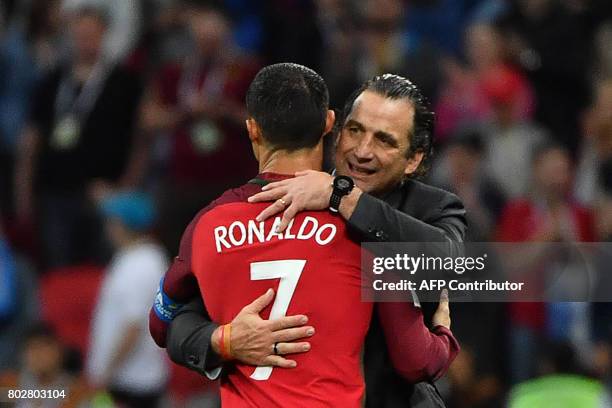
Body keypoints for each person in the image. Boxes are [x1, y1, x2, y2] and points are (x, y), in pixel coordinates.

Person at [149, 64, 459, 407]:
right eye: (355, 131)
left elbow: (163, 322)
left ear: (252, 129)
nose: (363, 151)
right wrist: (443, 334)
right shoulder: (364, 241)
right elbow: (415, 357)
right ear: (331, 125)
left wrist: (342, 195)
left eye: (384, 140)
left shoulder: (211, 223)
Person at [13, 5, 144, 268]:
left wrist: (126, 187)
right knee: (58, 266)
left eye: (91, 35)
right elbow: (31, 141)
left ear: (103, 35)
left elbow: (141, 140)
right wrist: (23, 195)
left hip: (103, 193)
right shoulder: (51, 82)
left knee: (102, 266)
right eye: (80, 35)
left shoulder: (124, 82)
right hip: (54, 193)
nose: (85, 42)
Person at [87, 192, 169, 407]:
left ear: (121, 224)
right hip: (132, 377)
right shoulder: (139, 256)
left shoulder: (140, 265)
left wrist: (106, 371)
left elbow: (133, 327)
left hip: (131, 382)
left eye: (110, 221)